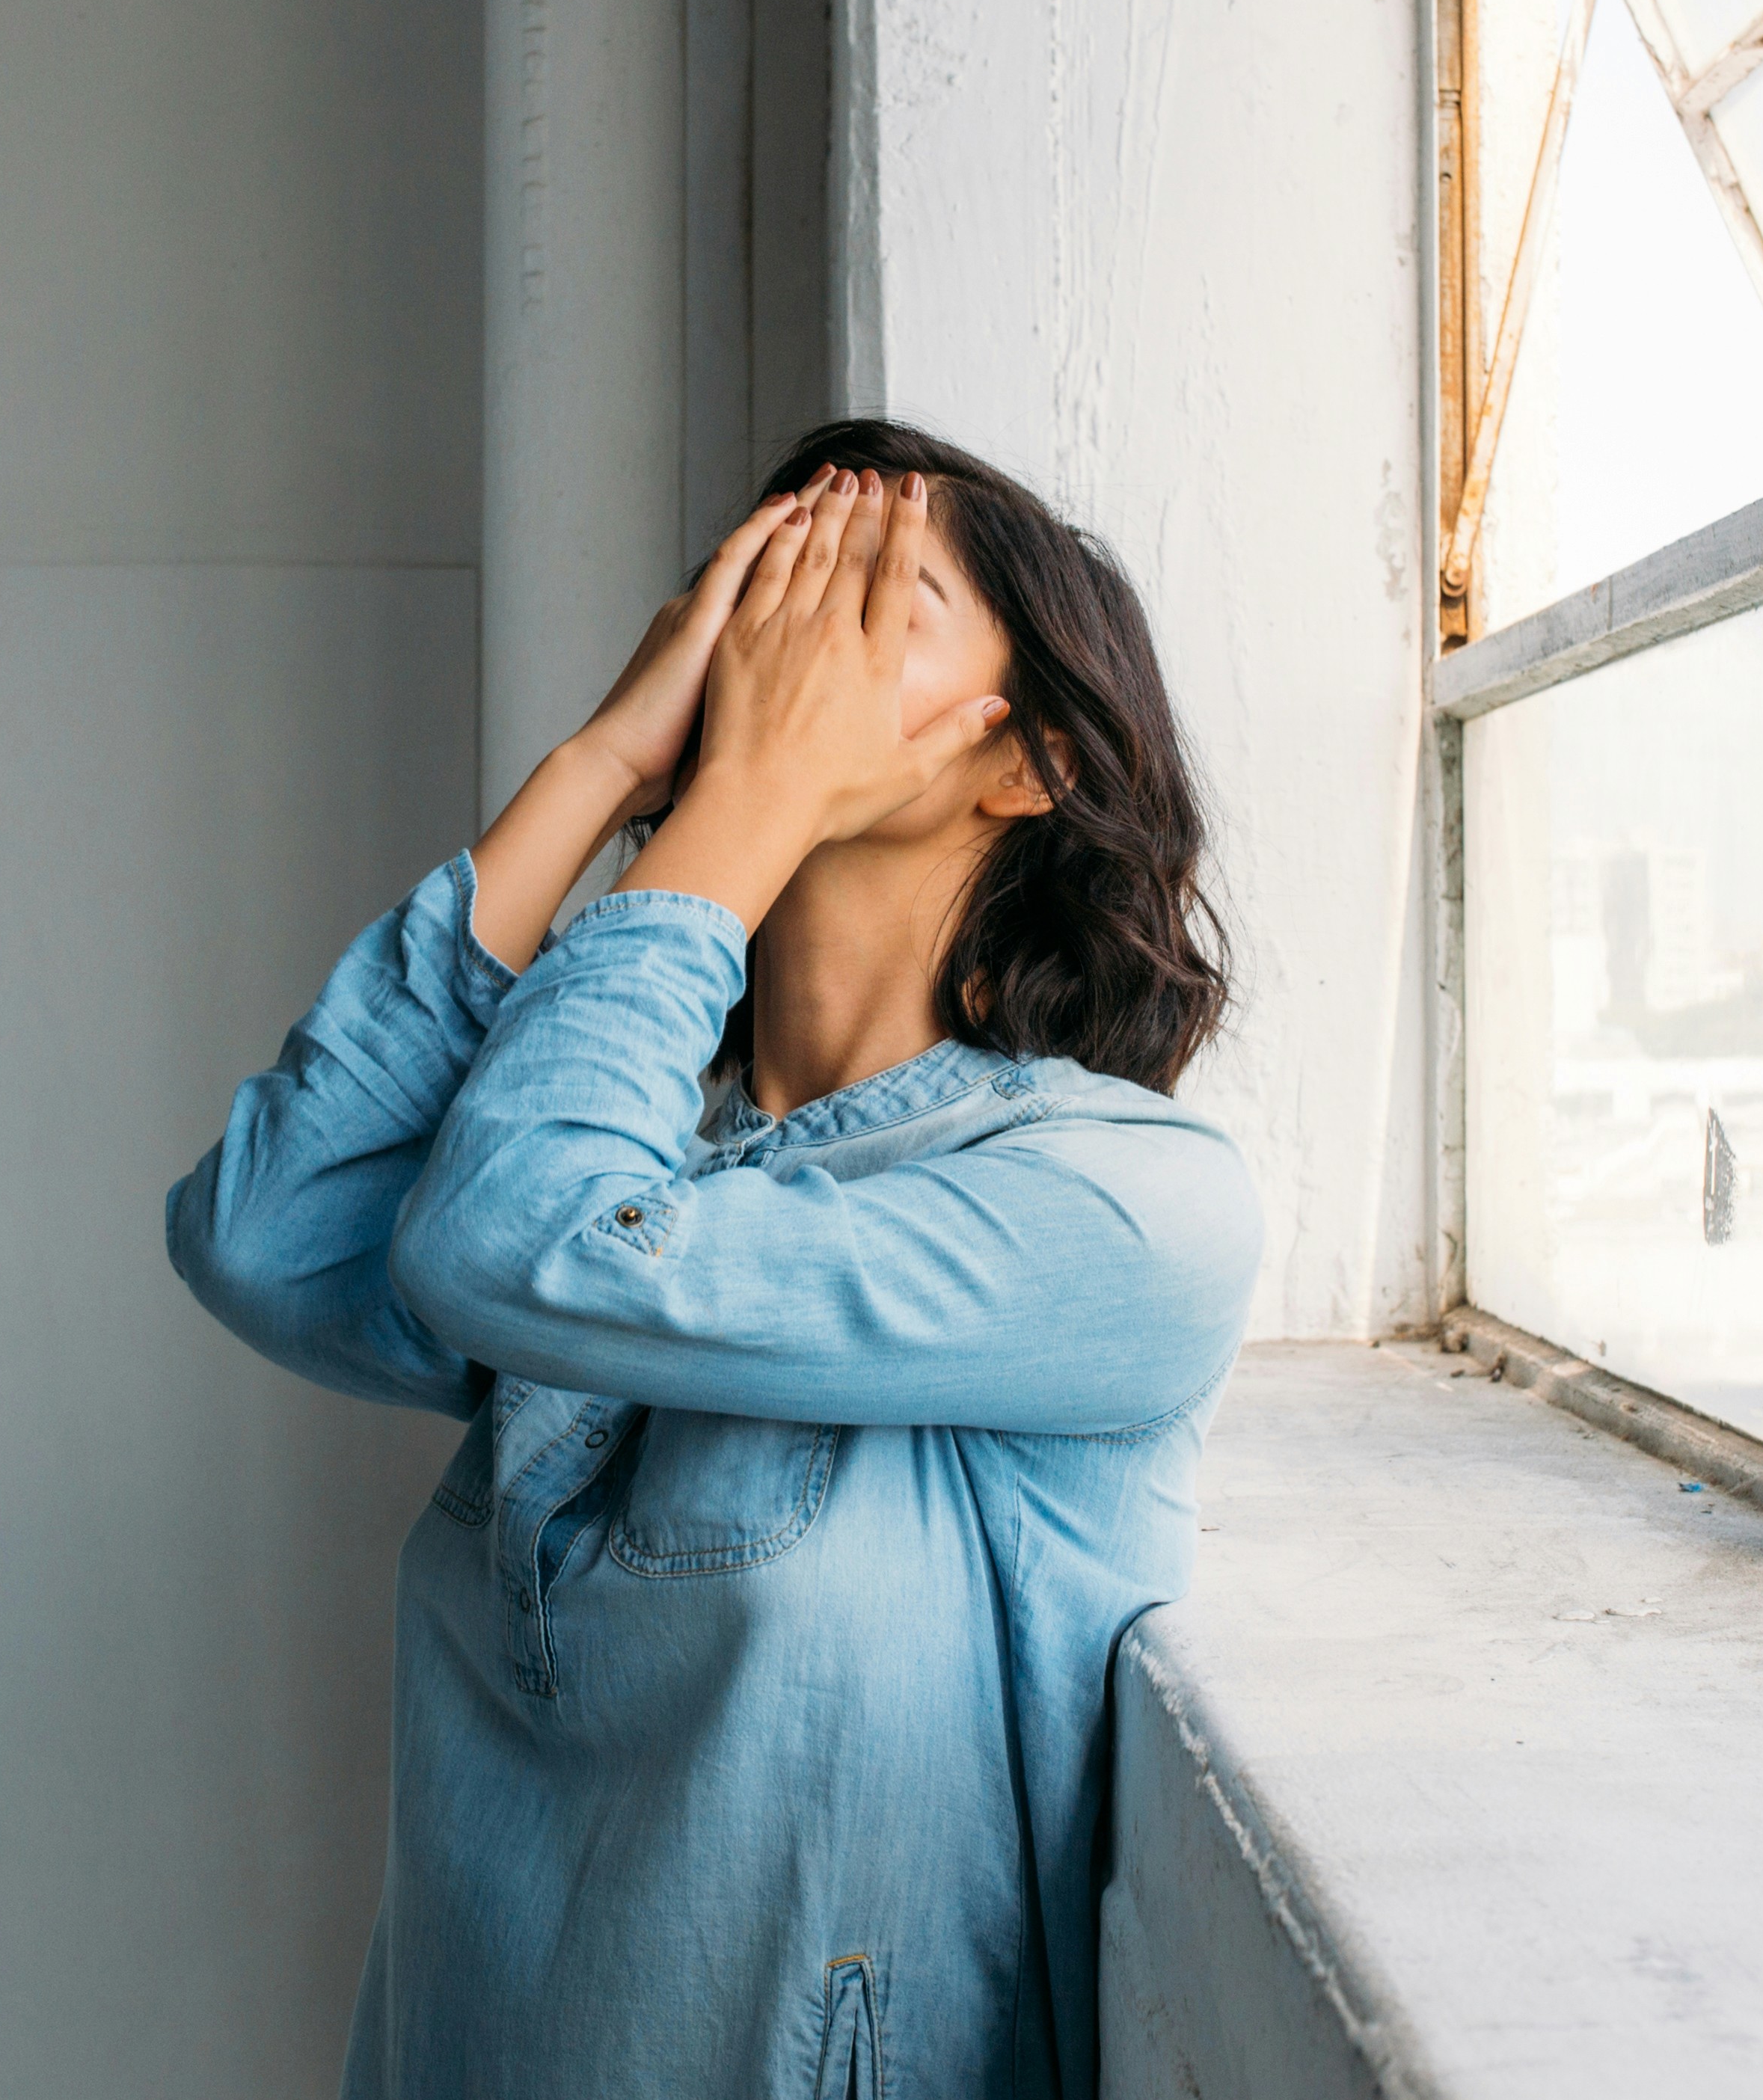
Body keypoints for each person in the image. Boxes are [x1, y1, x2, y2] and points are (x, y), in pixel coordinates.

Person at [169, 420, 1260, 2098]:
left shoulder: (1117, 1201)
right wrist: (615, 758)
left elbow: (521, 1238)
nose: (779, 633)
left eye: (869, 590)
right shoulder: (631, 1139)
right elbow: (266, 1225)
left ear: (1024, 758)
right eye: (763, 573)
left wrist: (740, 805)